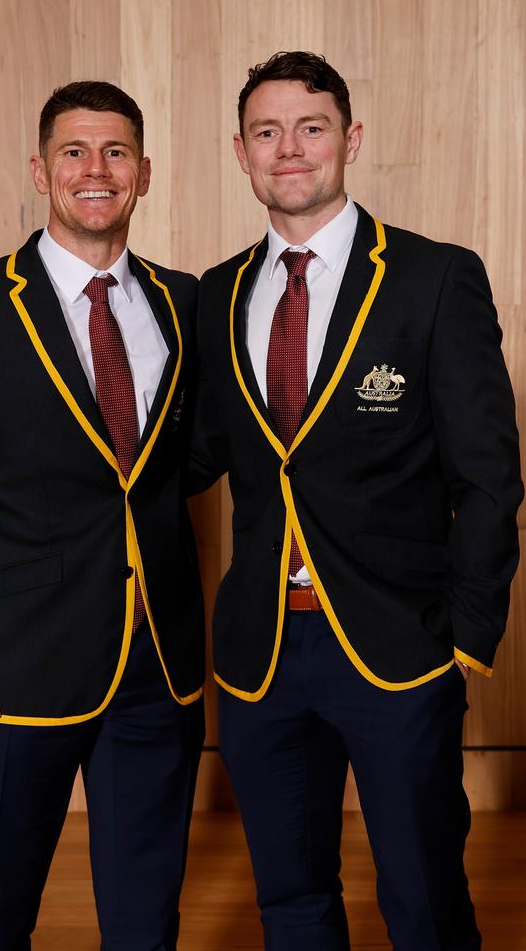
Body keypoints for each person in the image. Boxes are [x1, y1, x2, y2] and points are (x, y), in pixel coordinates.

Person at [189, 51, 522, 950]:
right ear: (241, 151)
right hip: (262, 653)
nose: (288, 149)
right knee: (290, 895)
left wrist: (465, 636)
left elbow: (489, 476)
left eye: (311, 127)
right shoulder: (216, 295)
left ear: (351, 139)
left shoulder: (435, 278)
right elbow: (198, 456)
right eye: (267, 131)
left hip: (397, 646)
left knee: (422, 898)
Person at [0, 80, 205, 950]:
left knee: (146, 917)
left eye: (114, 153)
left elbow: (197, 461)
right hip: (15, 669)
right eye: (74, 151)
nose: (94, 170)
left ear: (144, 172)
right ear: (40, 170)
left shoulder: (185, 304)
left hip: (159, 659)